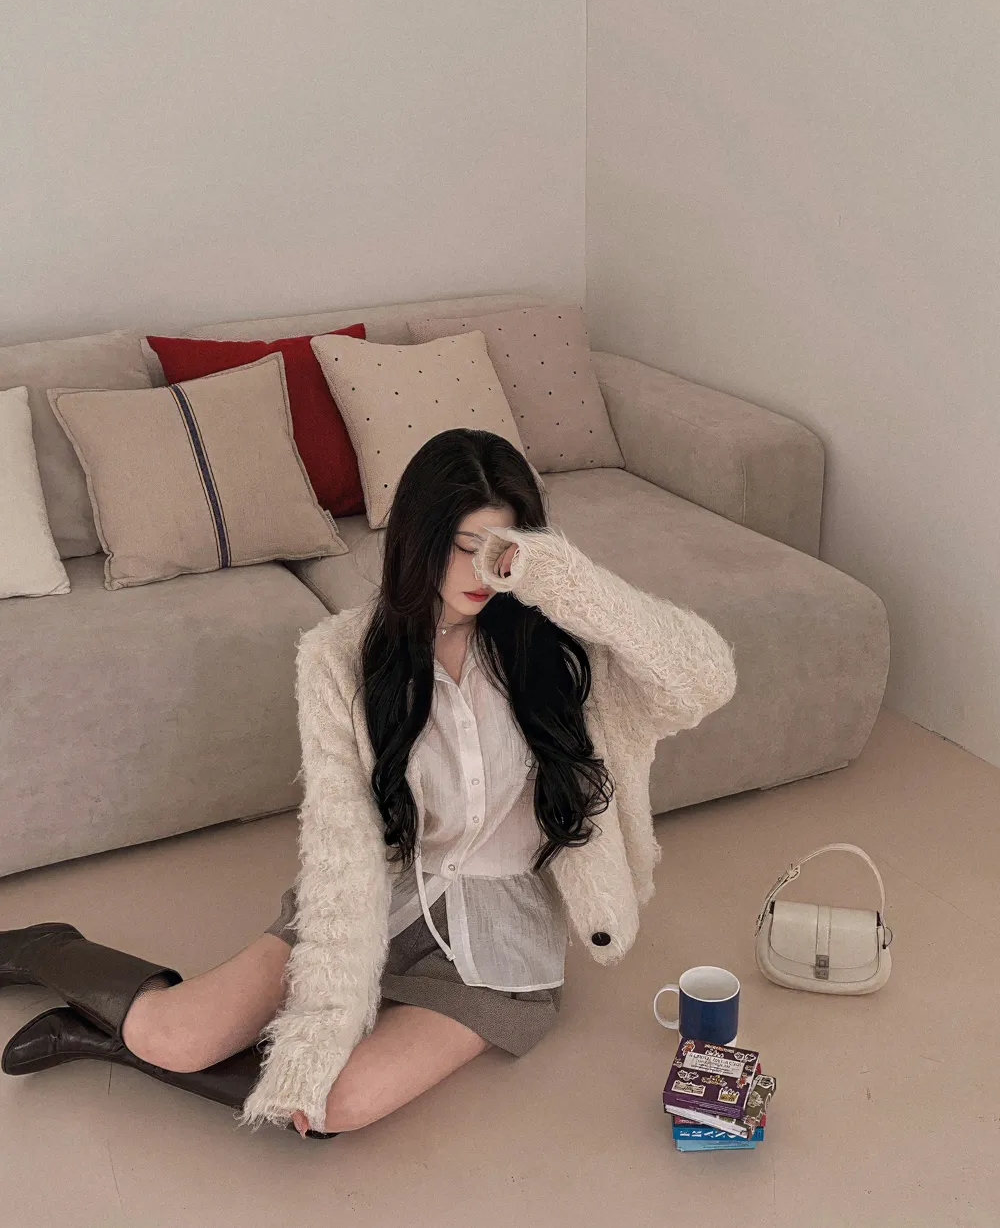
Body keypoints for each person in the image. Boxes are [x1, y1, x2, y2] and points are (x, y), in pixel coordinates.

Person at [1, 428, 738, 1140]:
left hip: (501, 941)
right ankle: (48, 951)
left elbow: (705, 678)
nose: (482, 571)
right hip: (374, 899)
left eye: (503, 549)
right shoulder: (340, 658)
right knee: (177, 1037)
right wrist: (326, 1006)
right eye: (464, 546)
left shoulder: (565, 652)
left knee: (335, 1105)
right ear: (420, 539)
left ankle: (98, 1036)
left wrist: (564, 581)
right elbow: (340, 836)